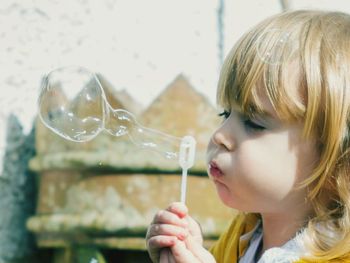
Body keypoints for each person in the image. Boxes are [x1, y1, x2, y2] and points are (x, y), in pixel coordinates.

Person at [145, 9, 350, 262]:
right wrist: (187, 251)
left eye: (254, 123)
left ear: (336, 161)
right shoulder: (242, 236)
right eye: (225, 113)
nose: (220, 135)